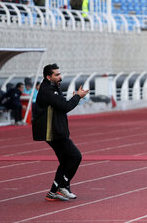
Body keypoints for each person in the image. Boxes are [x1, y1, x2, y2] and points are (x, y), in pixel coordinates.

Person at [32, 63, 88, 201]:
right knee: (75, 156)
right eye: (57, 75)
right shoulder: (48, 91)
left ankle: (53, 192)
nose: (60, 77)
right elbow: (65, 107)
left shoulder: (52, 87)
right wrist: (78, 97)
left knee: (65, 161)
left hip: (57, 131)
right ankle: (63, 186)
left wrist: (75, 97)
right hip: (52, 132)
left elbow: (61, 106)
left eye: (59, 74)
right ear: (48, 77)